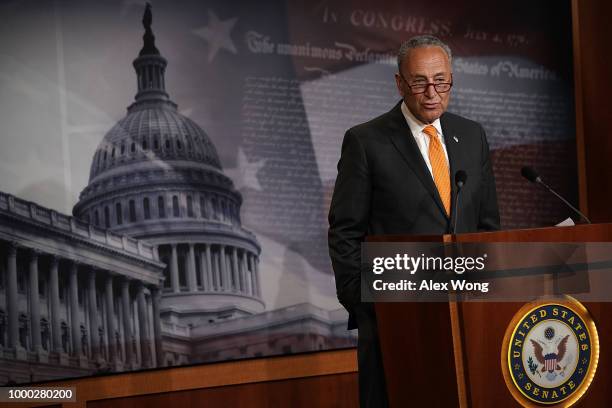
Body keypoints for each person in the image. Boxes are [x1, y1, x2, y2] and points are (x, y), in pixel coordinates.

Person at [327, 35, 500, 407]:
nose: (432, 92)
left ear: (451, 79)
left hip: (468, 320)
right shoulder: (366, 141)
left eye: (441, 81)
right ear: (400, 83)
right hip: (397, 322)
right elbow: (345, 233)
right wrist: (368, 306)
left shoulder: (472, 136)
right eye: (420, 82)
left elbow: (487, 229)